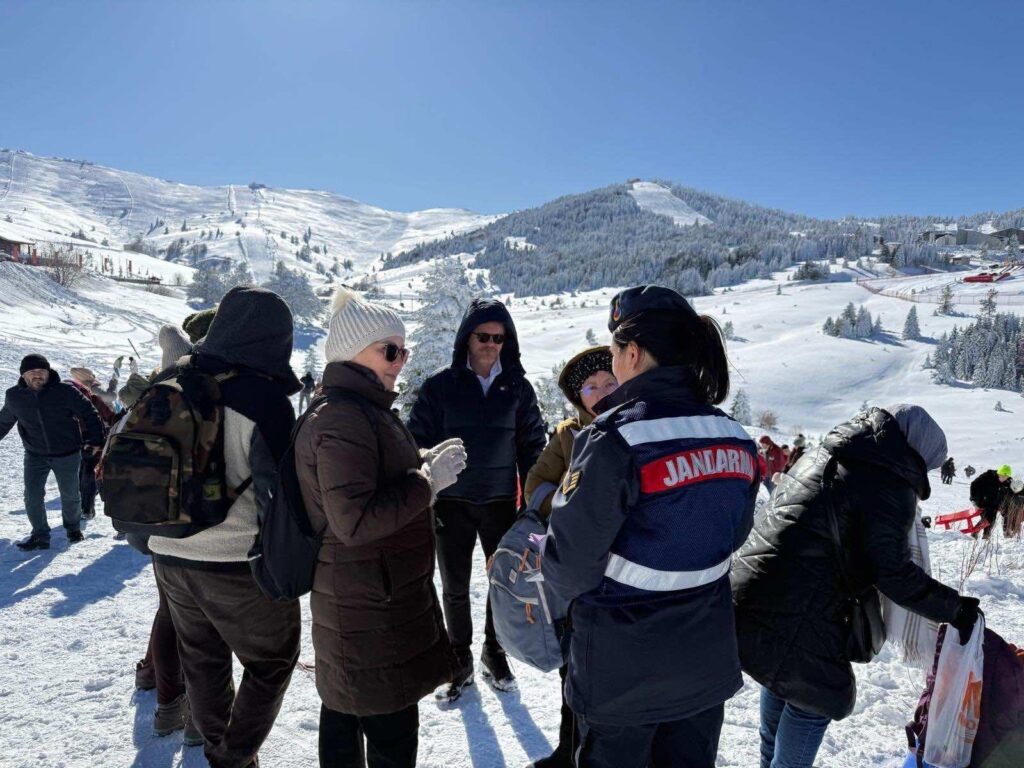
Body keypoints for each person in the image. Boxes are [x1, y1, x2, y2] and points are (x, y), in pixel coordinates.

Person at [543, 285, 759, 768]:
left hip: (623, 676)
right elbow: (733, 534)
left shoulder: (615, 436)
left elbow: (569, 565)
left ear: (633, 353)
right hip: (704, 666)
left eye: (615, 351)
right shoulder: (734, 437)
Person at [732, 404, 980, 768]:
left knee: (782, 677)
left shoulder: (832, 451)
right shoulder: (886, 481)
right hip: (803, 602)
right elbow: (893, 573)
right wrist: (955, 609)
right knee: (815, 696)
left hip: (755, 586)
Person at [296, 288, 460, 768]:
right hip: (369, 605)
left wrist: (424, 460)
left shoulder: (360, 408)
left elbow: (368, 482)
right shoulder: (345, 418)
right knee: (384, 732)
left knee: (348, 715)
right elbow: (355, 520)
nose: (400, 361)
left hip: (369, 598)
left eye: (403, 350)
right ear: (353, 352)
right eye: (390, 350)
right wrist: (427, 484)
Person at [149, 287, 303, 768]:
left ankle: (223, 753)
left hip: (167, 552)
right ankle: (233, 758)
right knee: (273, 662)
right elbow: (283, 491)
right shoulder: (265, 398)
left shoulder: (170, 381)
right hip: (235, 562)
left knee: (204, 661)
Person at [407, 297, 547, 701]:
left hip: (501, 503)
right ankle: (458, 658)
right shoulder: (440, 387)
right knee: (453, 586)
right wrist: (425, 486)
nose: (490, 343)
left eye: (498, 337)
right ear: (467, 338)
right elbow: (415, 442)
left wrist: (532, 506)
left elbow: (532, 447)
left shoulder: (518, 389)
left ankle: (493, 652)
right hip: (451, 504)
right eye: (482, 336)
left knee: (501, 585)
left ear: (507, 341)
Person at [522, 346, 616, 768]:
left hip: (623, 571)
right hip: (577, 571)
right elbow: (536, 483)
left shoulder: (640, 429)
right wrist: (565, 508)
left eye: (609, 382)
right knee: (574, 669)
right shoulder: (567, 435)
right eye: (591, 387)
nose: (600, 392)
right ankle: (569, 750)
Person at [120, 324, 196, 740]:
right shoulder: (185, 400)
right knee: (177, 614)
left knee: (168, 607)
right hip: (179, 529)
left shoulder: (143, 403)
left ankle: (151, 675)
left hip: (144, 524)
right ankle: (172, 702)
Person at [0, 354, 105, 550]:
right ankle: (40, 534)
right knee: (32, 496)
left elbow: (89, 412)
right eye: (32, 372)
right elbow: (4, 421)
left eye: (41, 371)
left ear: (49, 372)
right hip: (35, 454)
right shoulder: (14, 396)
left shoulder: (65, 391)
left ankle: (73, 528)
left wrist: (96, 440)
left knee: (70, 494)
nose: (37, 375)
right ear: (23, 375)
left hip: (67, 453)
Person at [67, 367, 116, 520]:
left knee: (83, 470)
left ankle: (85, 507)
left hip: (77, 438)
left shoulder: (68, 390)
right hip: (96, 437)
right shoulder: (93, 390)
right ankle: (89, 507)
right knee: (93, 471)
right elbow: (109, 405)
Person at [971, 465, 1014, 539]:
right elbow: (974, 484)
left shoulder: (1008, 481)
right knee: (987, 519)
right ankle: (975, 532)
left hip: (996, 503)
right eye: (1002, 476)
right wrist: (974, 501)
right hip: (983, 502)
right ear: (999, 473)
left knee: (994, 519)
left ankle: (986, 536)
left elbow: (1015, 490)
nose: (1004, 479)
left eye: (1006, 477)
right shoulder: (987, 476)